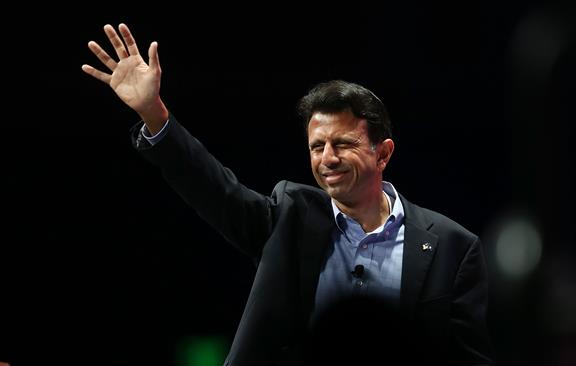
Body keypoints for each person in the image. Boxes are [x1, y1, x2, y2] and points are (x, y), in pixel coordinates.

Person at [82, 23, 494, 366]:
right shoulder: (291, 216)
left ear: (382, 152)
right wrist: (153, 113)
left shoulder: (452, 247)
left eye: (343, 144)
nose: (327, 158)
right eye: (317, 147)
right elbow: (214, 189)